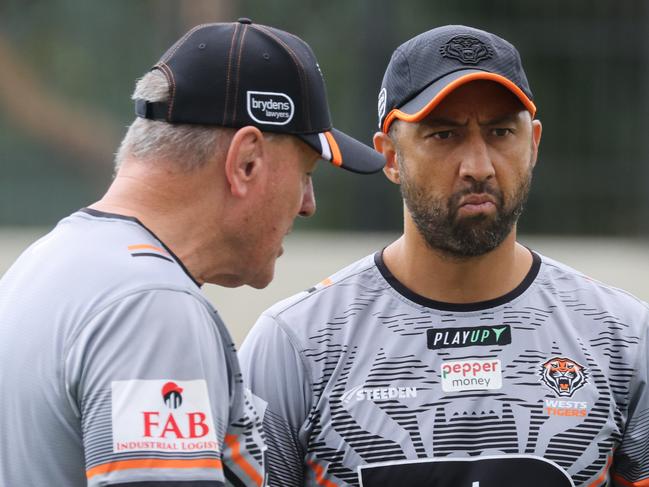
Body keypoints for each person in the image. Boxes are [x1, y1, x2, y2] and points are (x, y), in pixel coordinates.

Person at [239, 25, 649, 487]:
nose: (478, 166)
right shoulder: (297, 345)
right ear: (390, 156)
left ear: (533, 143)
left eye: (500, 132)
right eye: (443, 135)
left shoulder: (625, 339)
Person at [0, 19, 384, 487]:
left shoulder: (44, 263)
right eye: (306, 173)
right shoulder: (153, 307)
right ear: (246, 162)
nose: (308, 204)